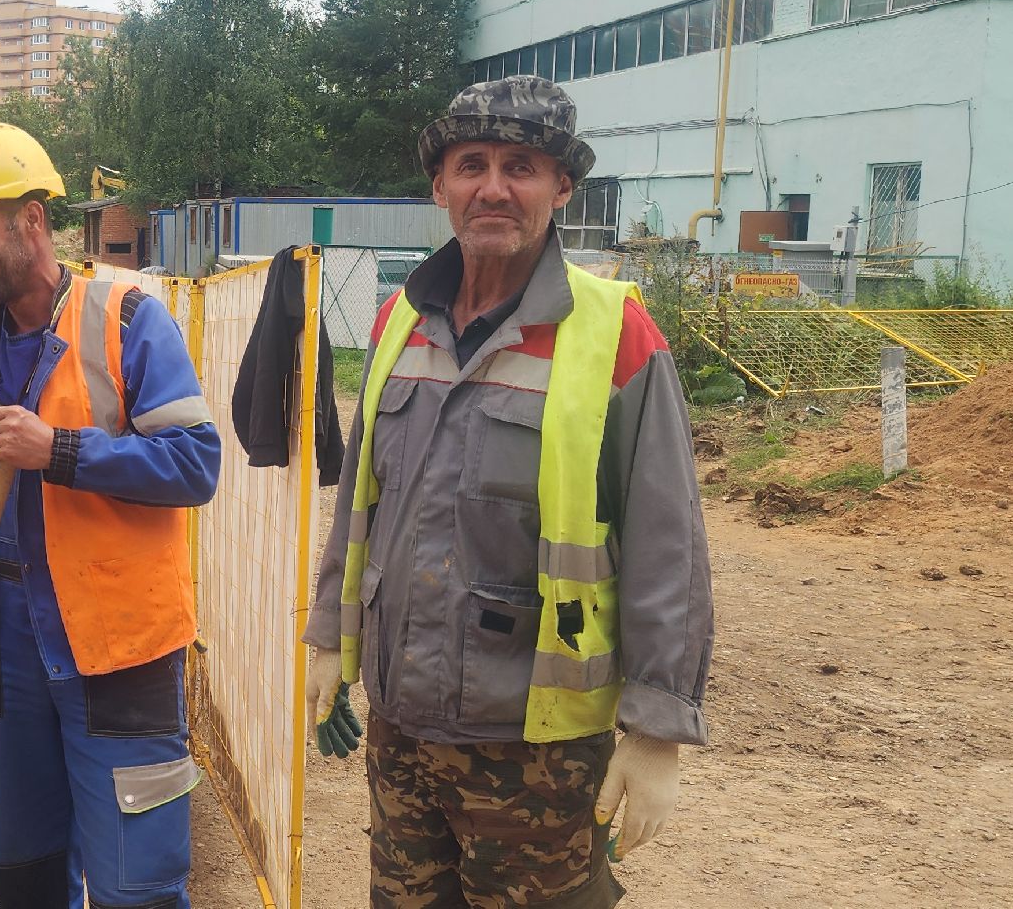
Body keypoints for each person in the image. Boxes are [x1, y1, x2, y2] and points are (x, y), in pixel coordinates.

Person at [301, 76, 714, 908]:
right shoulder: (398, 324)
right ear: (439, 186)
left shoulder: (615, 334)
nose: (492, 188)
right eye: (471, 165)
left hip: (538, 744)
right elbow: (361, 506)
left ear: (561, 188)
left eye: (520, 166)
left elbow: (667, 544)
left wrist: (657, 728)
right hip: (402, 720)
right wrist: (327, 639)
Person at [0, 122, 221, 908]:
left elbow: (194, 464)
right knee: (26, 875)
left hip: (118, 651)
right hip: (4, 651)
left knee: (135, 884)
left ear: (31, 220)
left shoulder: (126, 319)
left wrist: (61, 452)